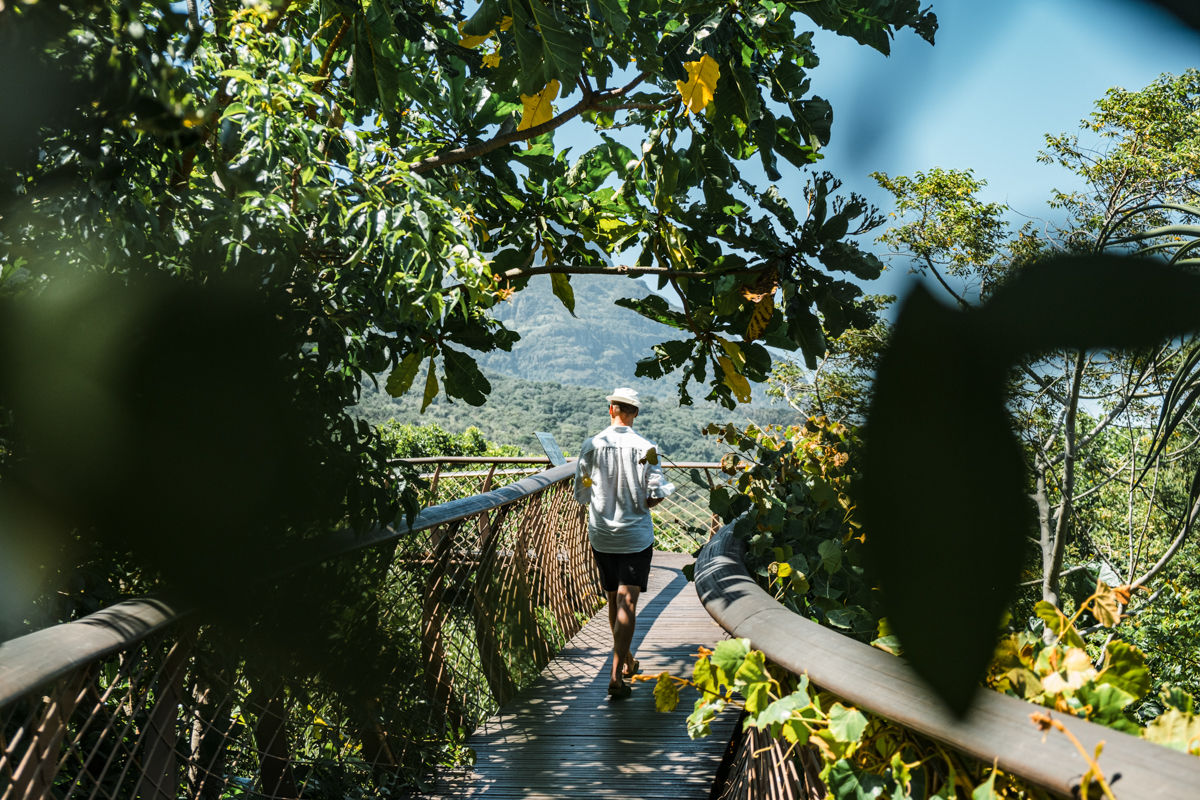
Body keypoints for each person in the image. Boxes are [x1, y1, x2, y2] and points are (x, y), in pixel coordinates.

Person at [573, 388, 675, 698]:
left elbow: (582, 492)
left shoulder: (590, 446)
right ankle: (616, 675)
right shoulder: (647, 448)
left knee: (613, 601)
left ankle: (627, 660)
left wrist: (600, 495)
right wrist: (644, 503)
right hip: (635, 536)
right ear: (635, 413)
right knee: (627, 603)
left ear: (611, 410)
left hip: (602, 534)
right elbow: (655, 492)